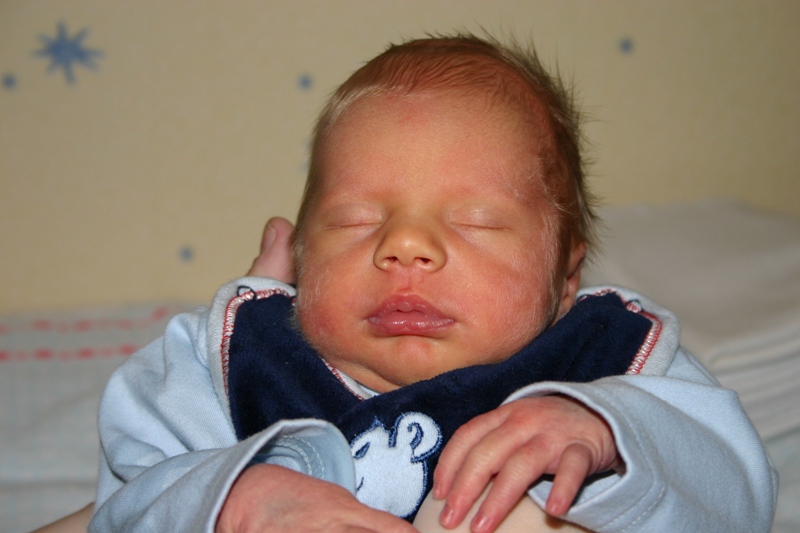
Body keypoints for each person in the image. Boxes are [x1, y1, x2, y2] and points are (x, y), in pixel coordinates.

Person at [87, 34, 777, 533]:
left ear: (566, 279)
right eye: (355, 221)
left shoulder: (605, 364)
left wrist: (609, 434)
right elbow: (126, 494)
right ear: (300, 259)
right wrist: (236, 498)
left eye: (476, 221)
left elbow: (737, 489)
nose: (405, 246)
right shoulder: (239, 362)